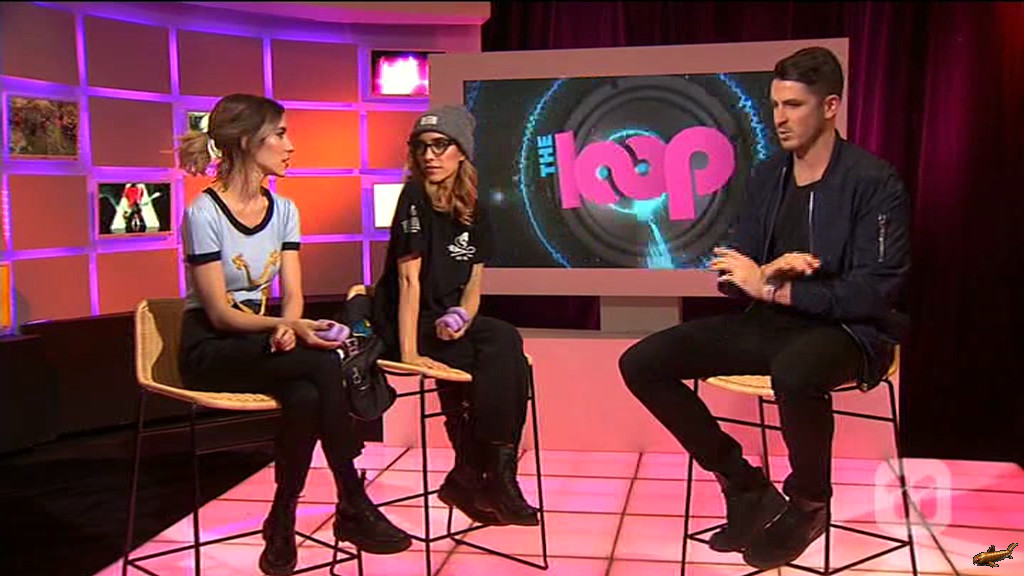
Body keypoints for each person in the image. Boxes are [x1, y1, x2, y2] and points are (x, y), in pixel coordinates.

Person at [618, 47, 911, 570]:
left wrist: (772, 288)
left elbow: (874, 292)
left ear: (830, 106)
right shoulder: (768, 175)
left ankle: (809, 504)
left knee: (795, 371)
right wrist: (764, 273)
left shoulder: (873, 181)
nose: (780, 118)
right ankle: (745, 486)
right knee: (641, 363)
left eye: (793, 105)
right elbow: (738, 268)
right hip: (773, 324)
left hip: (851, 332)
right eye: (775, 104)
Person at [177, 93, 411, 576]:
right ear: (247, 142)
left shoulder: (284, 209)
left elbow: (294, 296)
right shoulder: (203, 213)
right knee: (324, 363)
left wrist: (291, 326)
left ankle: (281, 520)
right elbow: (219, 314)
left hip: (260, 339)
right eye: (280, 134)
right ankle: (352, 497)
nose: (290, 146)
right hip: (210, 347)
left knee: (306, 395)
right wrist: (285, 327)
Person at [370, 105, 540, 527]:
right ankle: (485, 476)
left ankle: (485, 474)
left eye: (440, 145)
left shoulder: (475, 208)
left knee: (504, 339)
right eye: (421, 147)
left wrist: (461, 317)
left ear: (461, 151)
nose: (429, 155)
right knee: (503, 365)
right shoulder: (413, 196)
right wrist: (409, 352)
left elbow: (473, 285)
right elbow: (408, 282)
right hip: (406, 321)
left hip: (444, 321)